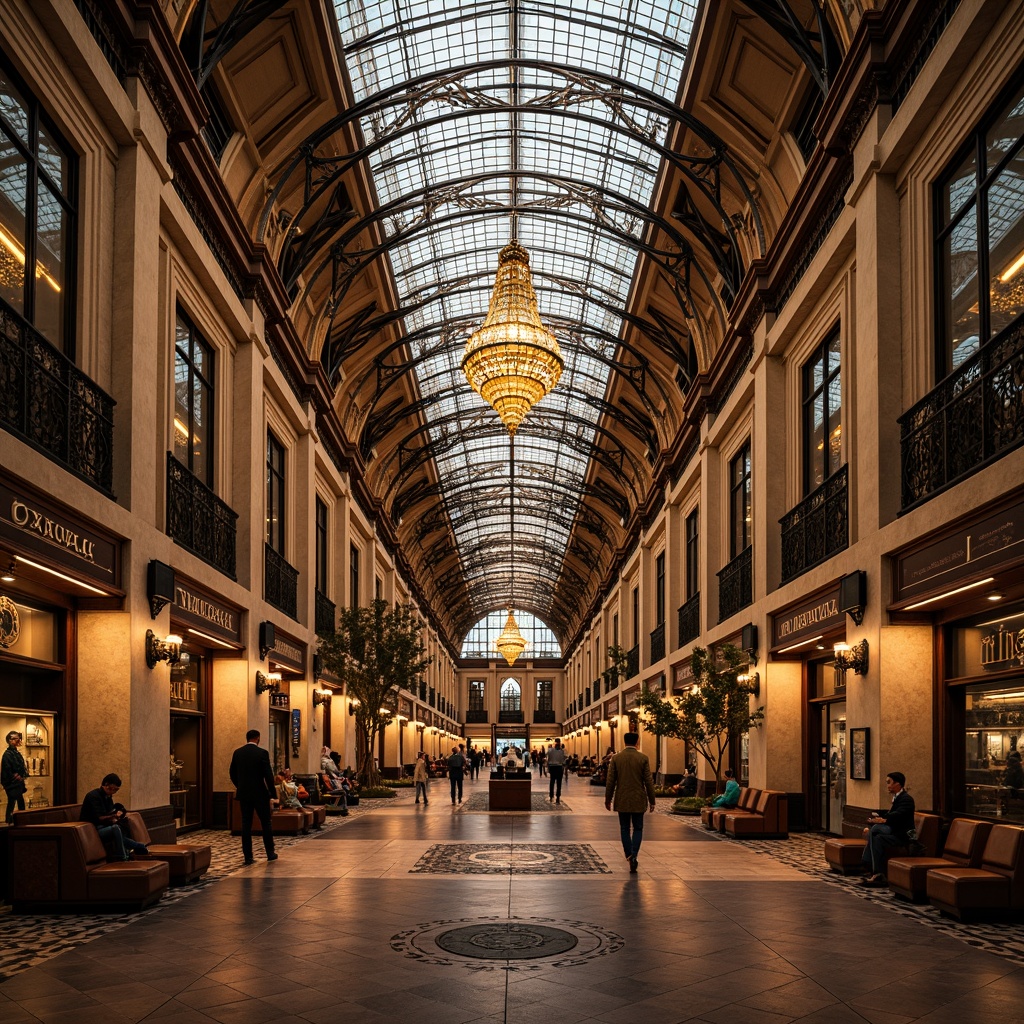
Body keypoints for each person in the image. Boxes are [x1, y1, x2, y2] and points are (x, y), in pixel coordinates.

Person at [605, 732, 657, 873]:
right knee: (638, 828)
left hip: (622, 798)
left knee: (624, 828)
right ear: (637, 742)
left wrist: (608, 799)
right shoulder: (643, 758)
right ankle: (634, 854)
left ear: (624, 741)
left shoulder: (616, 759)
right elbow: (648, 782)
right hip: (638, 799)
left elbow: (610, 781)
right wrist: (652, 800)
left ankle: (629, 855)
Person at [229, 729, 279, 865]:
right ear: (258, 738)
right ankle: (270, 853)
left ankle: (248, 857)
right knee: (266, 822)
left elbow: (232, 773)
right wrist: (273, 794)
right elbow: (268, 776)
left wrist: (240, 786)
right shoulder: (262, 753)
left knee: (246, 824)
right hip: (260, 794)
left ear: (247, 738)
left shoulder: (238, 753)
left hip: (244, 794)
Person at [860, 771, 916, 886]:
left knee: (875, 830)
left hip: (902, 835)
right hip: (894, 830)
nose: (887, 785)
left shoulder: (906, 799)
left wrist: (883, 819)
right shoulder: (897, 797)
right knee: (876, 835)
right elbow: (894, 815)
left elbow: (899, 815)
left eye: (889, 782)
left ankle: (868, 863)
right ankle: (876, 872)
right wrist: (881, 819)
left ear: (898, 784)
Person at [80, 773, 149, 861]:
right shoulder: (93, 796)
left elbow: (110, 812)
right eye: (114, 789)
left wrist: (118, 815)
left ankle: (138, 847)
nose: (114, 792)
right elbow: (99, 818)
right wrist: (114, 816)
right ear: (107, 785)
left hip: (104, 826)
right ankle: (122, 856)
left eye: (116, 790)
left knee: (120, 827)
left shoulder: (108, 797)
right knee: (115, 828)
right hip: (93, 829)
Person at [2, 730, 28, 824]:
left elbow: (21, 767)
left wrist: (22, 776)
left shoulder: (16, 753)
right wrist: (16, 776)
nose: (17, 740)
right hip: (12, 784)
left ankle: (19, 820)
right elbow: (8, 770)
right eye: (14, 738)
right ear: (9, 740)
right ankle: (11, 821)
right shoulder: (7, 754)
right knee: (13, 802)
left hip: (17, 783)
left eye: (18, 738)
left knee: (17, 802)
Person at [320, 745, 349, 814]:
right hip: (333, 782)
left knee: (344, 788)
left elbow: (334, 771)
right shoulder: (325, 761)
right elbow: (331, 770)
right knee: (343, 790)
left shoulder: (328, 760)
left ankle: (342, 807)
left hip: (334, 779)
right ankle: (343, 807)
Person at [547, 738, 567, 803]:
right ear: (560, 742)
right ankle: (558, 797)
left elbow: (547, 756)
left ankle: (551, 796)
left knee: (552, 782)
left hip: (552, 767)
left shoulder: (550, 750)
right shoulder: (563, 751)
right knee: (559, 783)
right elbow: (565, 758)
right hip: (559, 767)